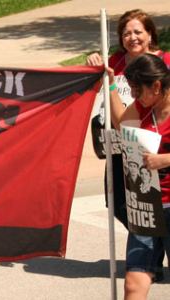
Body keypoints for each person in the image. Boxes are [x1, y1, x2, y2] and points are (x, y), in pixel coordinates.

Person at [87, 9, 170, 230]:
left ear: (150, 34)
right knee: (119, 204)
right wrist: (94, 60)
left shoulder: (166, 61)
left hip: (155, 143)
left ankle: (151, 249)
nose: (132, 37)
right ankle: (150, 245)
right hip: (119, 144)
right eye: (126, 33)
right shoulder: (114, 62)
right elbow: (98, 79)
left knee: (157, 203)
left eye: (137, 32)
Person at [106, 53, 170, 300]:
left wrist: (165, 160)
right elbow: (122, 125)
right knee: (133, 284)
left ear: (156, 85)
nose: (133, 95)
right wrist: (111, 85)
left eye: (137, 89)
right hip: (146, 207)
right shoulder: (144, 106)